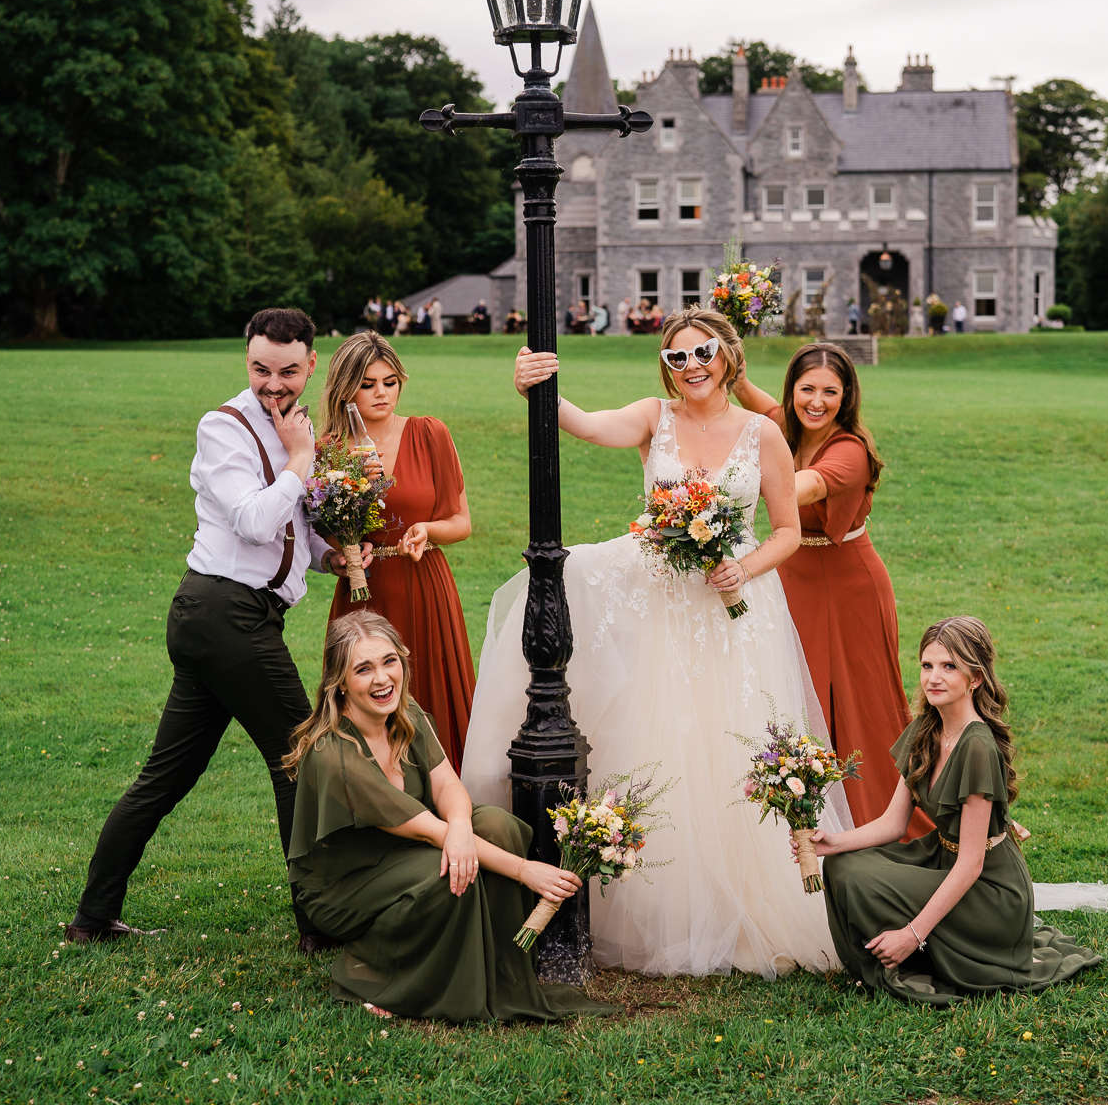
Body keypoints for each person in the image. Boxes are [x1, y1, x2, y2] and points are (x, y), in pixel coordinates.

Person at [462, 308, 847, 978]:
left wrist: (741, 567)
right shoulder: (653, 418)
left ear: (727, 354)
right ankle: (659, 909)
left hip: (736, 616)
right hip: (663, 606)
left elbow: (786, 530)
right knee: (662, 738)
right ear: (665, 368)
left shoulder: (765, 435)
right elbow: (579, 423)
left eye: (702, 352)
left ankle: (756, 902)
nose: (692, 366)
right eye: (676, 358)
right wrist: (536, 386)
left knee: (733, 745)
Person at [67, 308, 346, 951]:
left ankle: (92, 917)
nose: (272, 384)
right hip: (225, 614)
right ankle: (321, 928)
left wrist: (335, 557)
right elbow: (253, 520)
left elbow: (293, 533)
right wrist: (301, 460)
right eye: (259, 369)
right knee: (302, 759)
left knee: (165, 777)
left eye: (288, 372)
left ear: (310, 365)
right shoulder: (223, 428)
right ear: (245, 361)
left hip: (223, 617)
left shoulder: (294, 427)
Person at [286, 612, 618, 1022]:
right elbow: (428, 832)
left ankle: (493, 961)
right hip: (348, 880)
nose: (382, 679)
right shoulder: (335, 756)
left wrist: (461, 827)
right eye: (363, 669)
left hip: (409, 844)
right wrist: (526, 870)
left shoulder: (403, 713)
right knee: (451, 872)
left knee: (499, 826)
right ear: (339, 683)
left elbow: (446, 787)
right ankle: (380, 968)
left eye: (389, 661)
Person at [813, 617, 1102, 1005]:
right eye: (927, 665)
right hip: (940, 856)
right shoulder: (924, 730)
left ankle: (914, 949)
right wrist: (833, 842)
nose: (934, 677)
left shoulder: (977, 746)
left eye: (949, 666)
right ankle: (915, 945)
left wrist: (912, 933)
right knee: (843, 866)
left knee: (862, 880)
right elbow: (893, 823)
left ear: (976, 679)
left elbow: (971, 864)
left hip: (989, 891)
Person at [732, 343, 926, 835]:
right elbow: (748, 395)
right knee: (795, 692)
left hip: (848, 587)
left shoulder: (850, 451)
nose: (817, 402)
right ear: (792, 391)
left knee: (861, 703)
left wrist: (727, 483)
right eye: (807, 389)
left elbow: (805, 488)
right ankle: (802, 816)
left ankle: (877, 819)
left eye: (830, 392)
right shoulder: (784, 426)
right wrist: (732, 367)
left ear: (847, 397)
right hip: (793, 577)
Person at [318, 332, 478, 770]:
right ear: (345, 387)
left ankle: (447, 802)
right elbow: (322, 535)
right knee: (365, 700)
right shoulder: (328, 450)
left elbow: (461, 522)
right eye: (367, 384)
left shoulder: (429, 433)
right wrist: (345, 547)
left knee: (428, 692)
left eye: (389, 381)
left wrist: (426, 529)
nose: (381, 393)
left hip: (423, 584)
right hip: (362, 592)